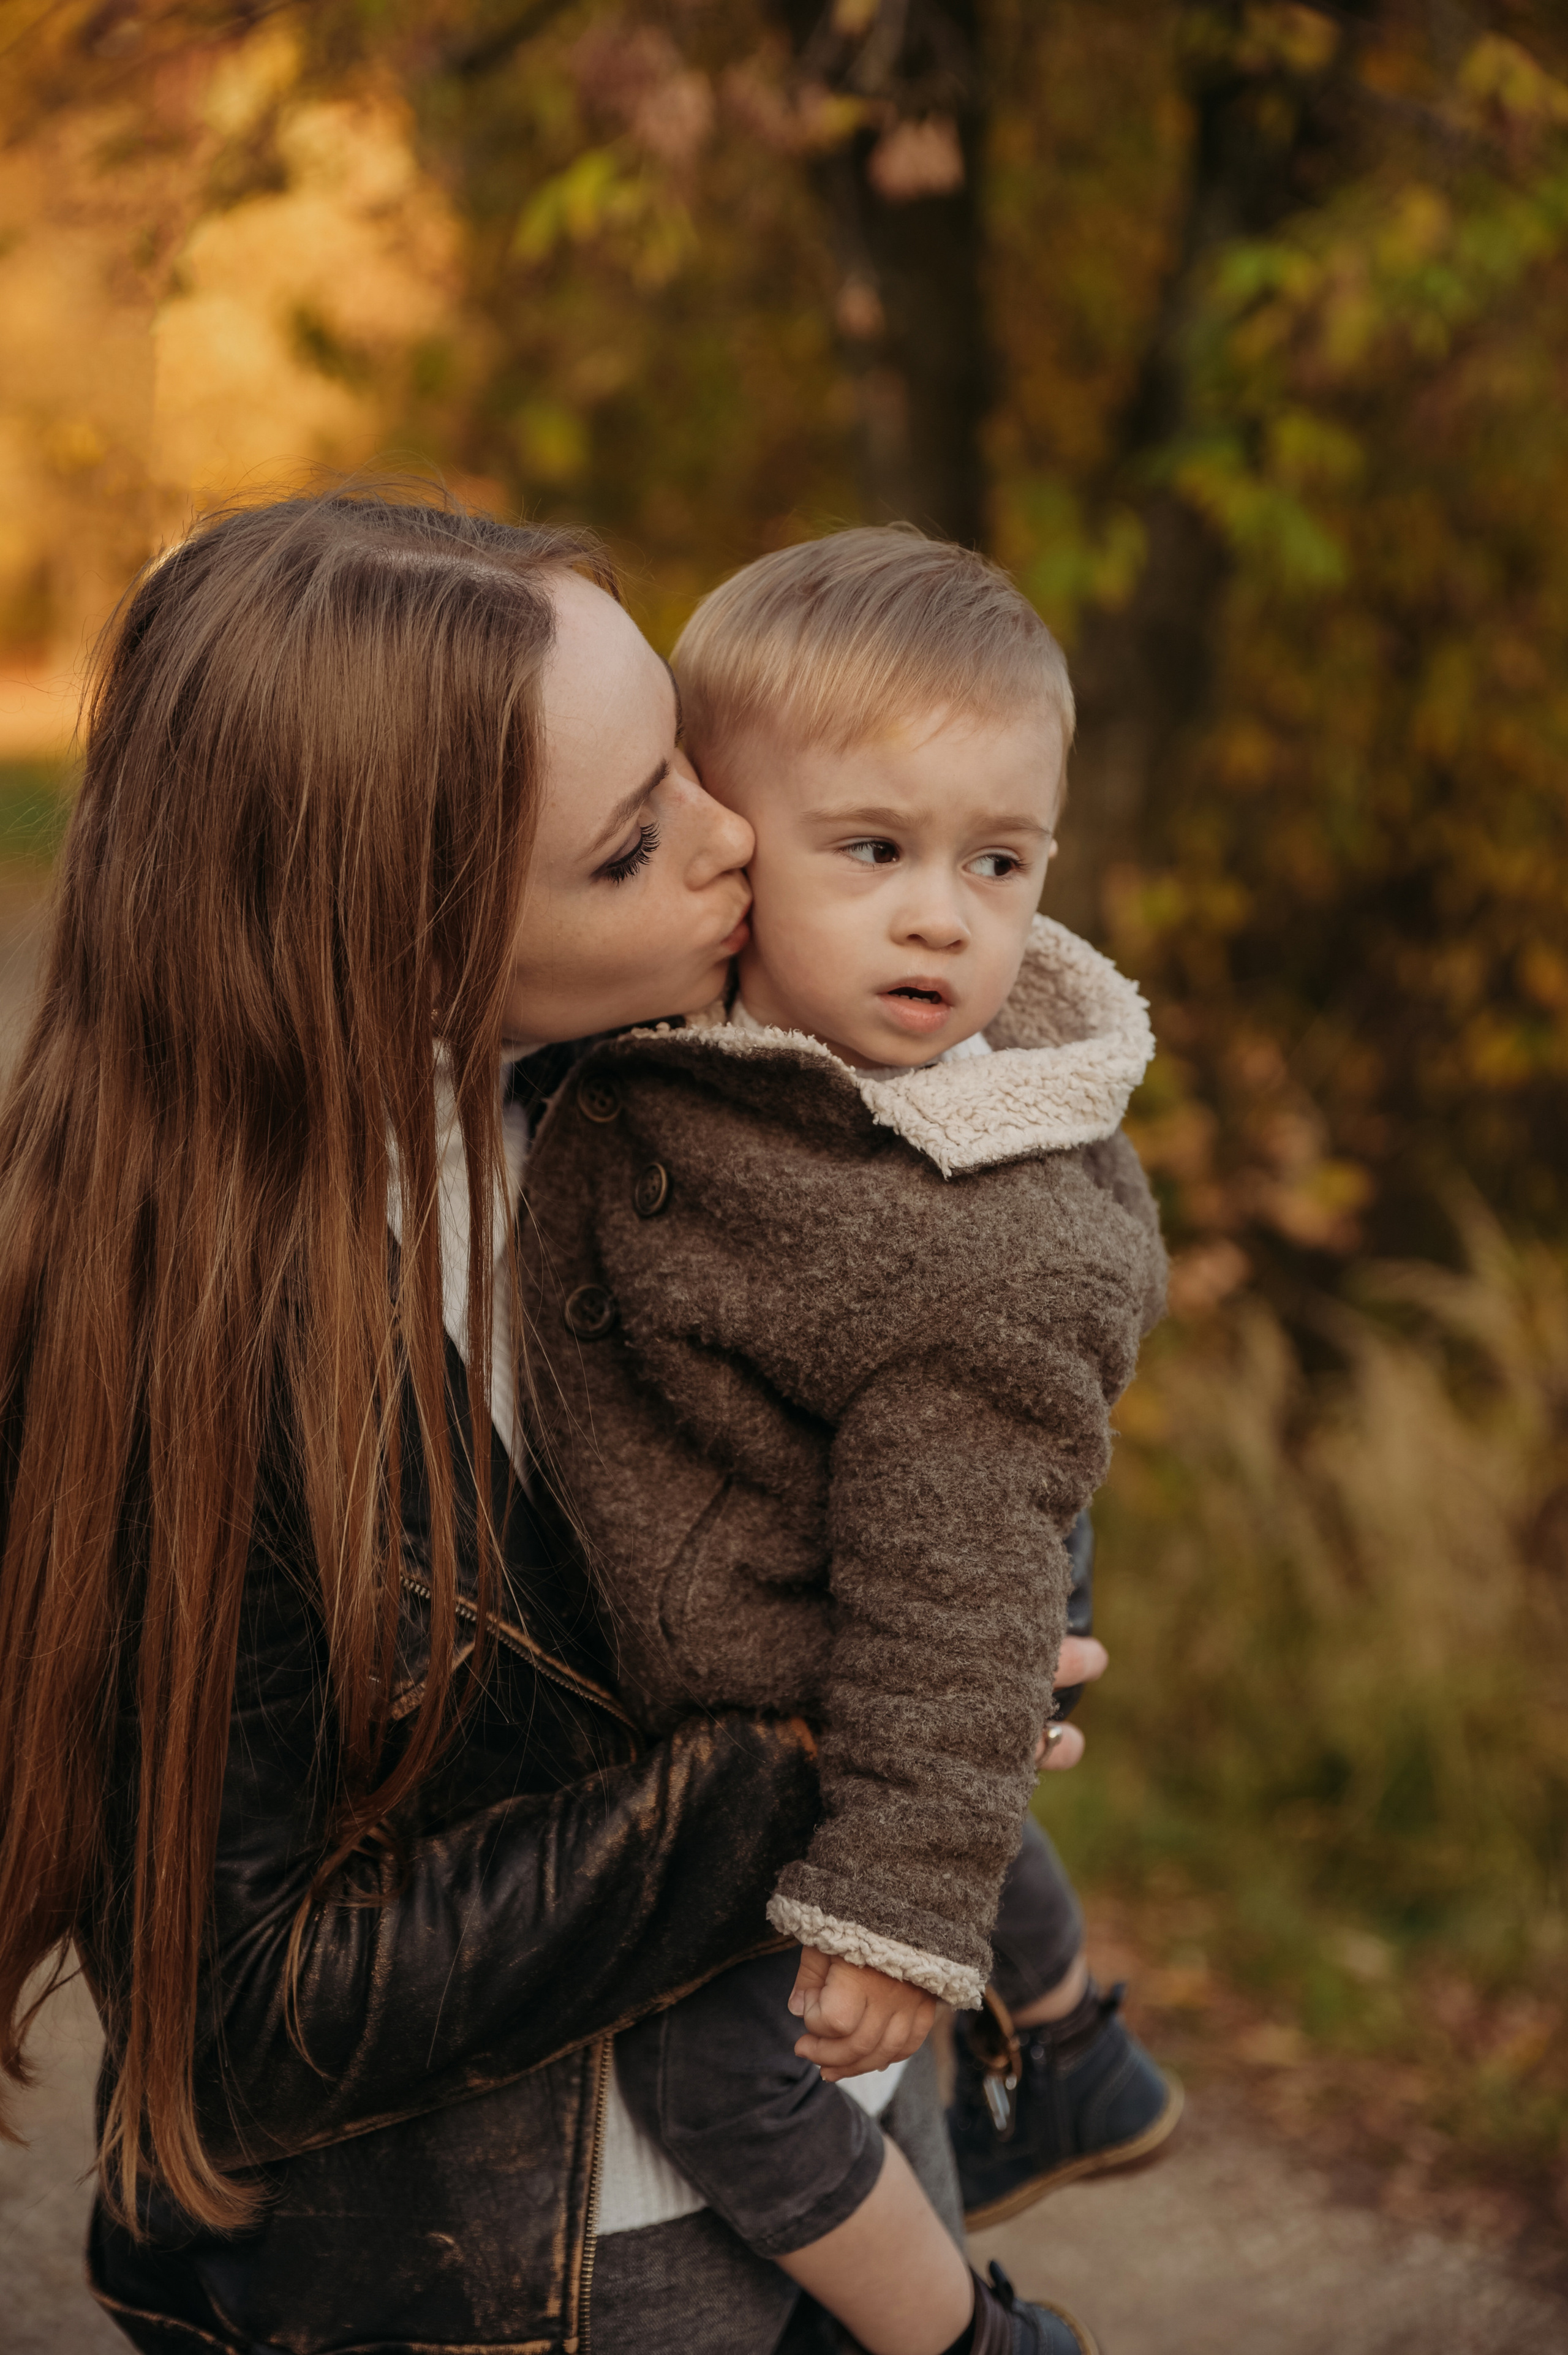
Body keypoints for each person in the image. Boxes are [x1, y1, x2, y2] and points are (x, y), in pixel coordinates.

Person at [0, 490, 1085, 2355]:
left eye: (678, 754)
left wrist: (970, 1646)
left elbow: (964, 1405)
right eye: (630, 842)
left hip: (842, 2125)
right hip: (560, 2275)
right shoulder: (215, 1344)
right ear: (400, 954)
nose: (737, 834)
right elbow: (257, 2014)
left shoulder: (672, 1094)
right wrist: (810, 1758)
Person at [519, 527, 1178, 2355]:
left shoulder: (962, 1216)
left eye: (1001, 862)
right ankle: (1071, 2049)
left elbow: (953, 1598)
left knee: (722, 2076)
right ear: (721, 837)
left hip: (830, 1687)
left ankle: (962, 2335)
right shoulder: (737, 1038)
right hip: (817, 1617)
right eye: (874, 851)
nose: (943, 917)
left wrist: (896, 1915)